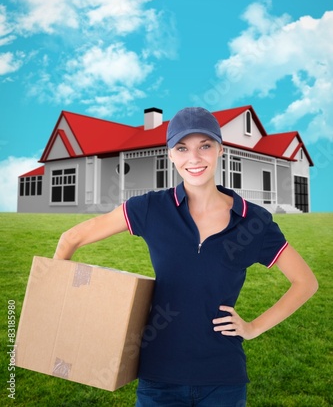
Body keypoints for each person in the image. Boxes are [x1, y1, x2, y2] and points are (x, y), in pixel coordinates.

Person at [54, 107, 318, 407]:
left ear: (220, 149)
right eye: (182, 148)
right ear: (170, 155)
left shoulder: (252, 221)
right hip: (158, 380)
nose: (194, 158)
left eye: (204, 146)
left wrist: (253, 328)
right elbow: (71, 238)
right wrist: (60, 311)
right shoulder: (151, 209)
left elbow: (305, 282)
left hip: (223, 381)